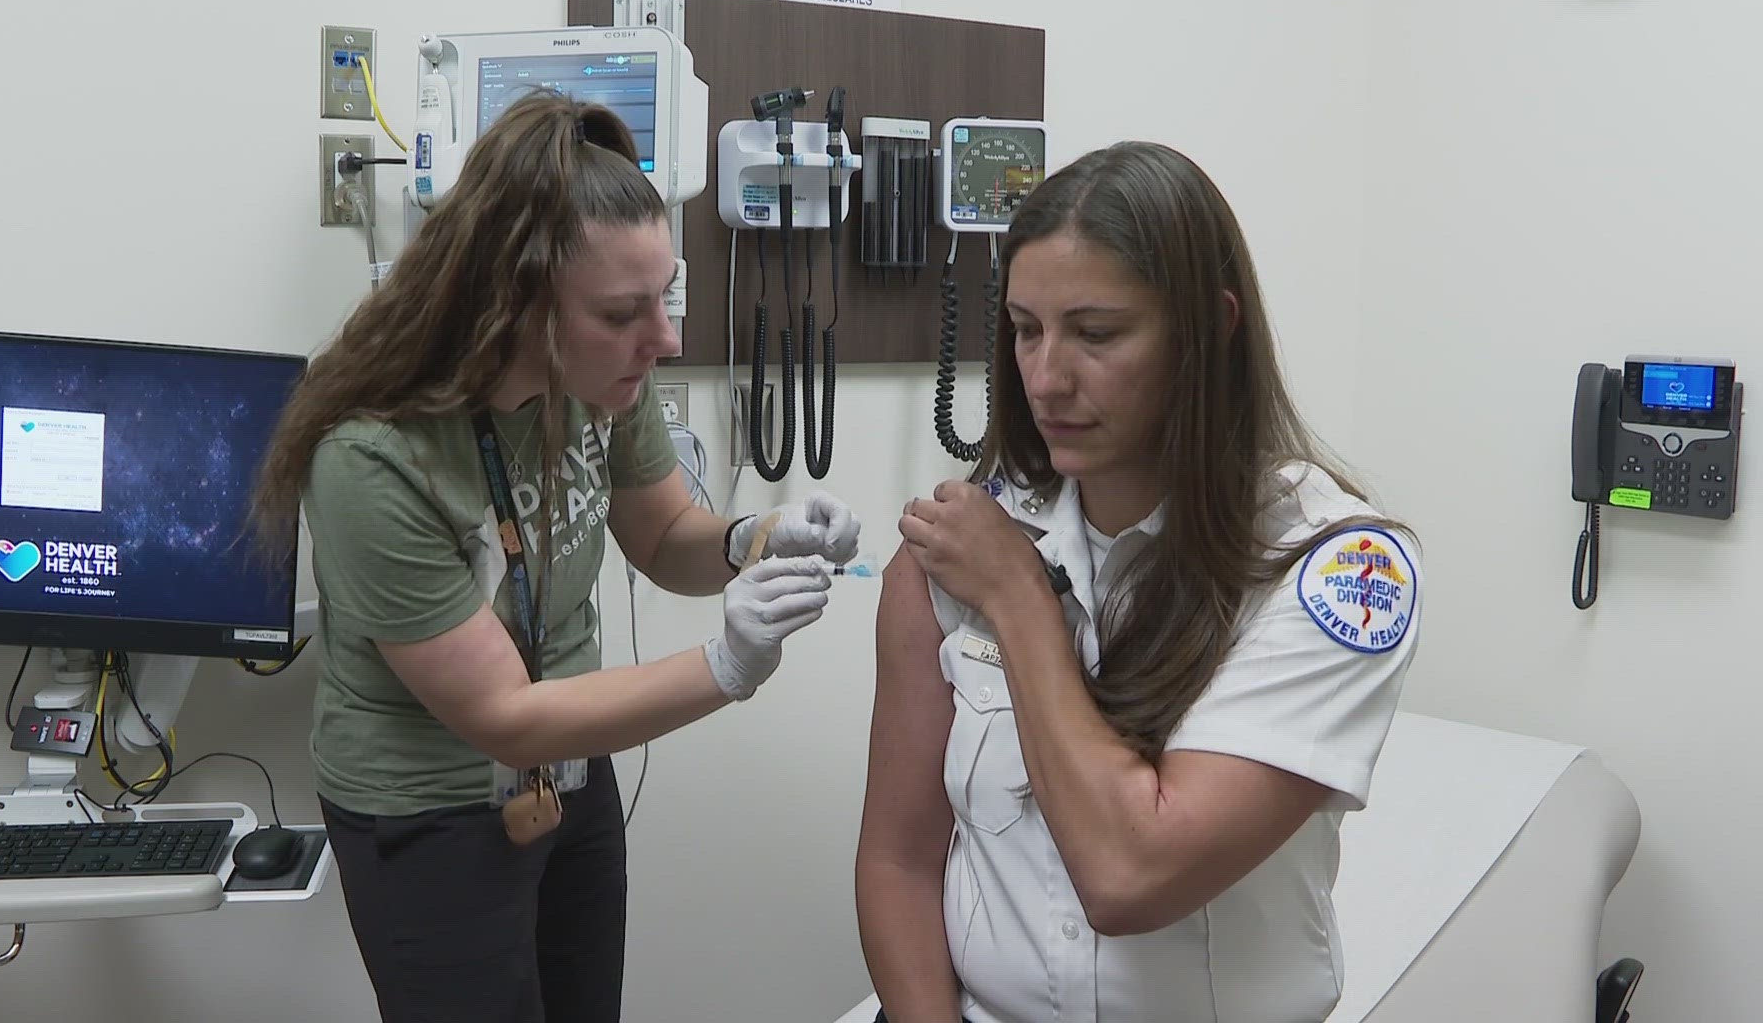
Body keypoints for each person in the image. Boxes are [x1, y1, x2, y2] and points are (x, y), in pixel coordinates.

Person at [250, 90, 861, 1023]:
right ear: (514, 304)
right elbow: (503, 715)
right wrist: (728, 664)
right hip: (431, 810)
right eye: (623, 313)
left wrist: (757, 539)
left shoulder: (602, 379)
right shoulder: (371, 456)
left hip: (569, 768)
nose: (664, 339)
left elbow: (662, 537)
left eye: (664, 299)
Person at [856, 141, 1422, 1022]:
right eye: (1025, 329)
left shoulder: (1338, 571)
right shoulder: (954, 554)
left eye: (1096, 333)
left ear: (1211, 327)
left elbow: (1130, 876)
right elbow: (899, 859)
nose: (1044, 378)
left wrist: (1018, 600)